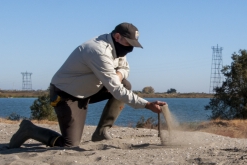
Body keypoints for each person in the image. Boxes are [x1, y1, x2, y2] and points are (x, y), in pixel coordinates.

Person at [9, 23, 166, 148]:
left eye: (133, 44)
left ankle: (101, 131)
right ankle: (29, 129)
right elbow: (117, 91)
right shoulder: (98, 51)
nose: (130, 48)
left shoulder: (117, 49)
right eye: (128, 43)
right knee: (70, 145)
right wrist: (147, 105)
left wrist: (118, 75)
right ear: (117, 36)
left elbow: (125, 68)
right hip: (66, 95)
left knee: (125, 83)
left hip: (89, 90)